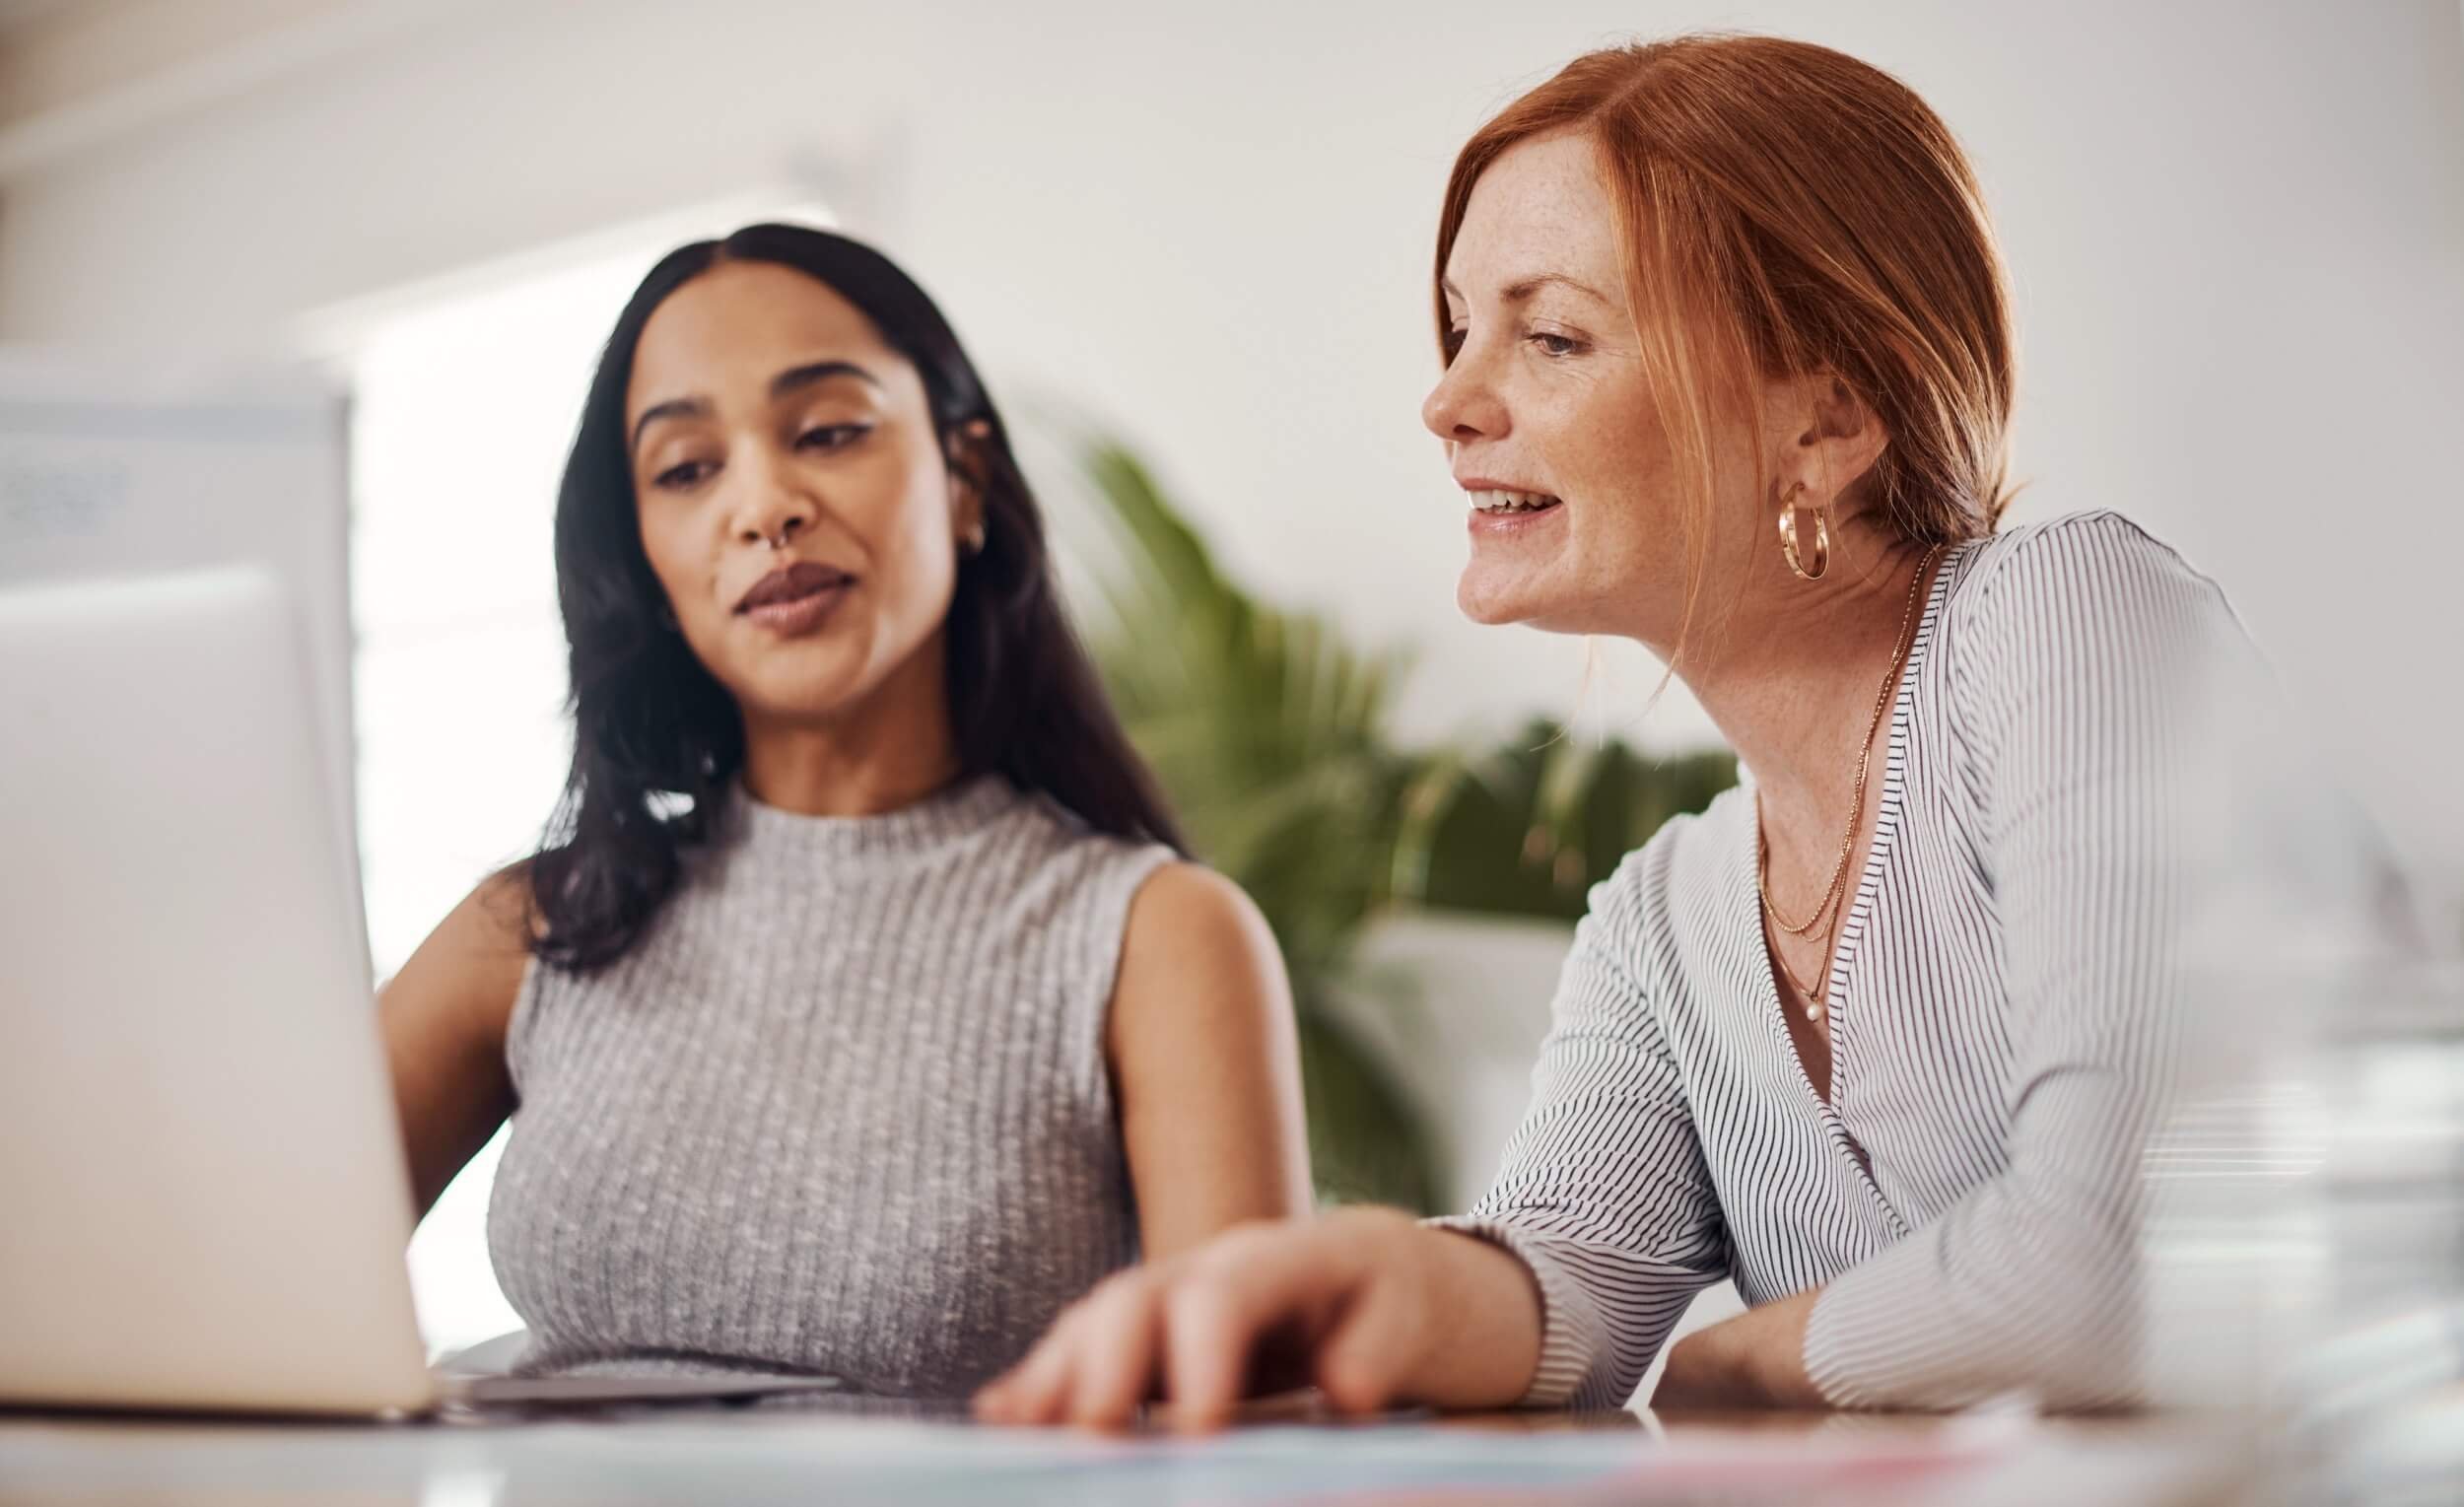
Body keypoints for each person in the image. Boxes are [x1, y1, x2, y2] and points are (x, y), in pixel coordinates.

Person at [976, 34, 2411, 1426]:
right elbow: (1566, 1297)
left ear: (1827, 423)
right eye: (1462, 327)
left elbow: (2136, 1256)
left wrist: (1754, 1361)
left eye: (1551, 335)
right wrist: (1375, 1273)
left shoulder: (2076, 616)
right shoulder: (1664, 917)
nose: (1450, 401)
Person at [377, 225, 1311, 1399]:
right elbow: (230, 1273)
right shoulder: (530, 929)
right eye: (685, 469)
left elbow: (1249, 1436)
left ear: (964, 478)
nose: (763, 506)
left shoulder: (1155, 937)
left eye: (826, 432)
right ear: (646, 559)